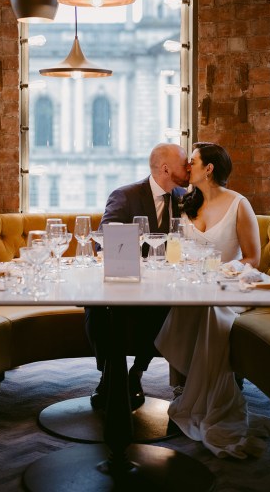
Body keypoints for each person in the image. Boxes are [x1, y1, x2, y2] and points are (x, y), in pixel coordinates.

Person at [155, 142, 270, 459]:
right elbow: (177, 252)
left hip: (231, 289)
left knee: (211, 309)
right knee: (188, 303)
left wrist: (224, 271)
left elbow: (252, 257)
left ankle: (209, 400)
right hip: (196, 287)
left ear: (208, 168)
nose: (187, 167)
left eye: (192, 161)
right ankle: (188, 388)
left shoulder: (239, 204)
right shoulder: (187, 205)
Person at [86, 143, 190, 411]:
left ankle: (137, 371)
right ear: (166, 168)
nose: (189, 168)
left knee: (166, 307)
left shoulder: (187, 198)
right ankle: (108, 374)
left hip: (167, 286)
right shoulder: (125, 195)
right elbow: (103, 244)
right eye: (184, 163)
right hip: (125, 282)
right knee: (98, 307)